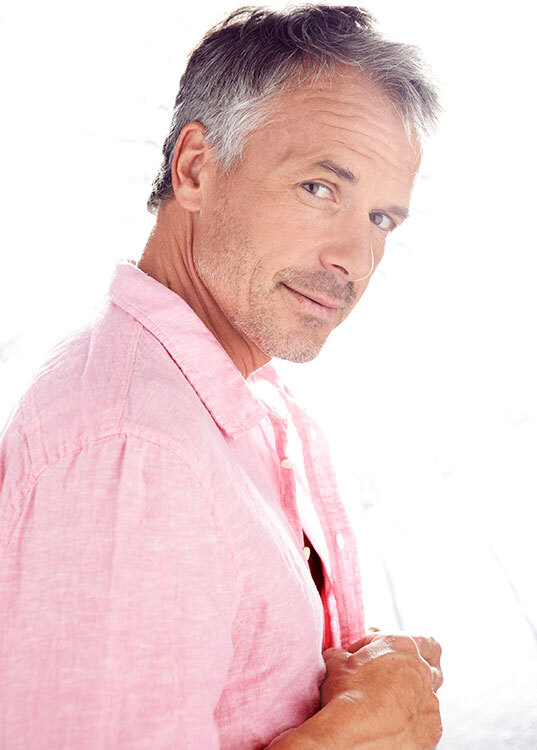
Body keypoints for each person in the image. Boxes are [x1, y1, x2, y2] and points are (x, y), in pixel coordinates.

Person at [0, 5, 443, 748]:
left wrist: (365, 689)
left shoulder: (242, 402)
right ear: (196, 169)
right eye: (319, 188)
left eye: (380, 220)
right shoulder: (133, 451)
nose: (354, 260)